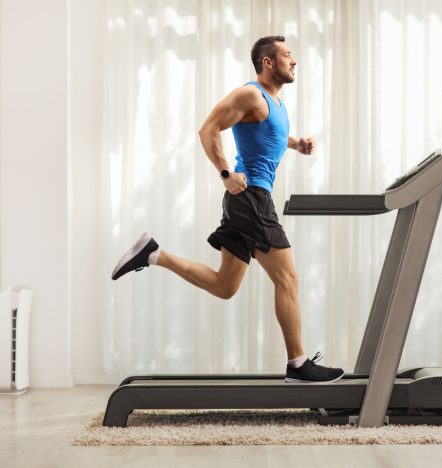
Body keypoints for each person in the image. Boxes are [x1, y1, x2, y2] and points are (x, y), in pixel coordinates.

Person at [111, 35, 344, 384]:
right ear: (268, 62)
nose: (294, 61)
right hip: (251, 198)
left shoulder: (275, 104)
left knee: (224, 286)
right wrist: (224, 174)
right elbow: (208, 129)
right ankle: (298, 364)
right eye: (287, 55)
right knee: (288, 279)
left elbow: (271, 136)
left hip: (246, 201)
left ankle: (154, 254)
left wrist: (297, 144)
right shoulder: (251, 94)